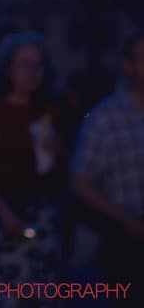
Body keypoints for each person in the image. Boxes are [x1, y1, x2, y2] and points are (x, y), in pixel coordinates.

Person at [0, 31, 68, 305]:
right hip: (1, 215)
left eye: (38, 64)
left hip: (42, 216)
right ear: (8, 68)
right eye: (24, 64)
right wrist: (3, 212)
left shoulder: (49, 109)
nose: (32, 72)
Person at [71, 29, 144, 303]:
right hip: (128, 237)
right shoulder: (106, 118)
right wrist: (123, 217)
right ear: (129, 66)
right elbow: (79, 179)